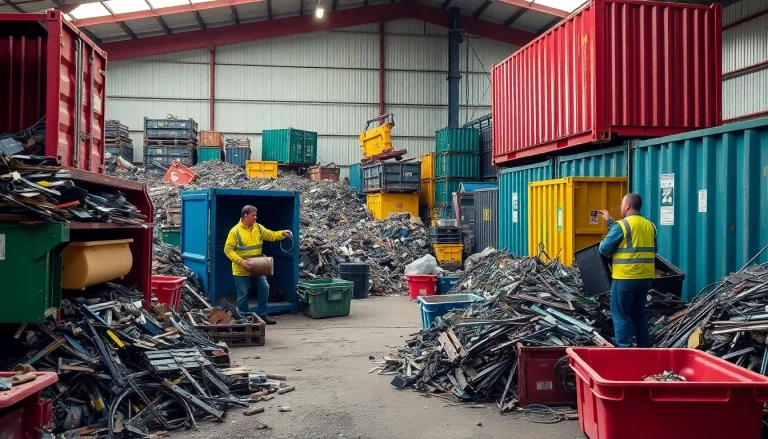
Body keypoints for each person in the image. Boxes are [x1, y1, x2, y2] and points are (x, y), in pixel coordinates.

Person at [598, 193, 657, 348]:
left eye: (622, 204)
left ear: (627, 206)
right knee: (638, 314)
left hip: (625, 277)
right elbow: (653, 249)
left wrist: (612, 253)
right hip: (645, 278)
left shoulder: (623, 225)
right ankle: (644, 347)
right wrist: (610, 221)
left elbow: (603, 248)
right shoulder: (650, 226)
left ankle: (624, 348)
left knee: (620, 314)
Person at [224, 205, 293, 325]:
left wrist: (282, 233)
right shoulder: (235, 231)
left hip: (257, 265)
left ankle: (262, 314)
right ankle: (243, 318)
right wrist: (241, 261)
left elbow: (271, 235)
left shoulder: (258, 228)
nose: (255, 218)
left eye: (256, 215)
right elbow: (228, 250)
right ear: (245, 215)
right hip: (241, 268)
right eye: (253, 216)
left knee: (264, 287)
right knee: (243, 295)